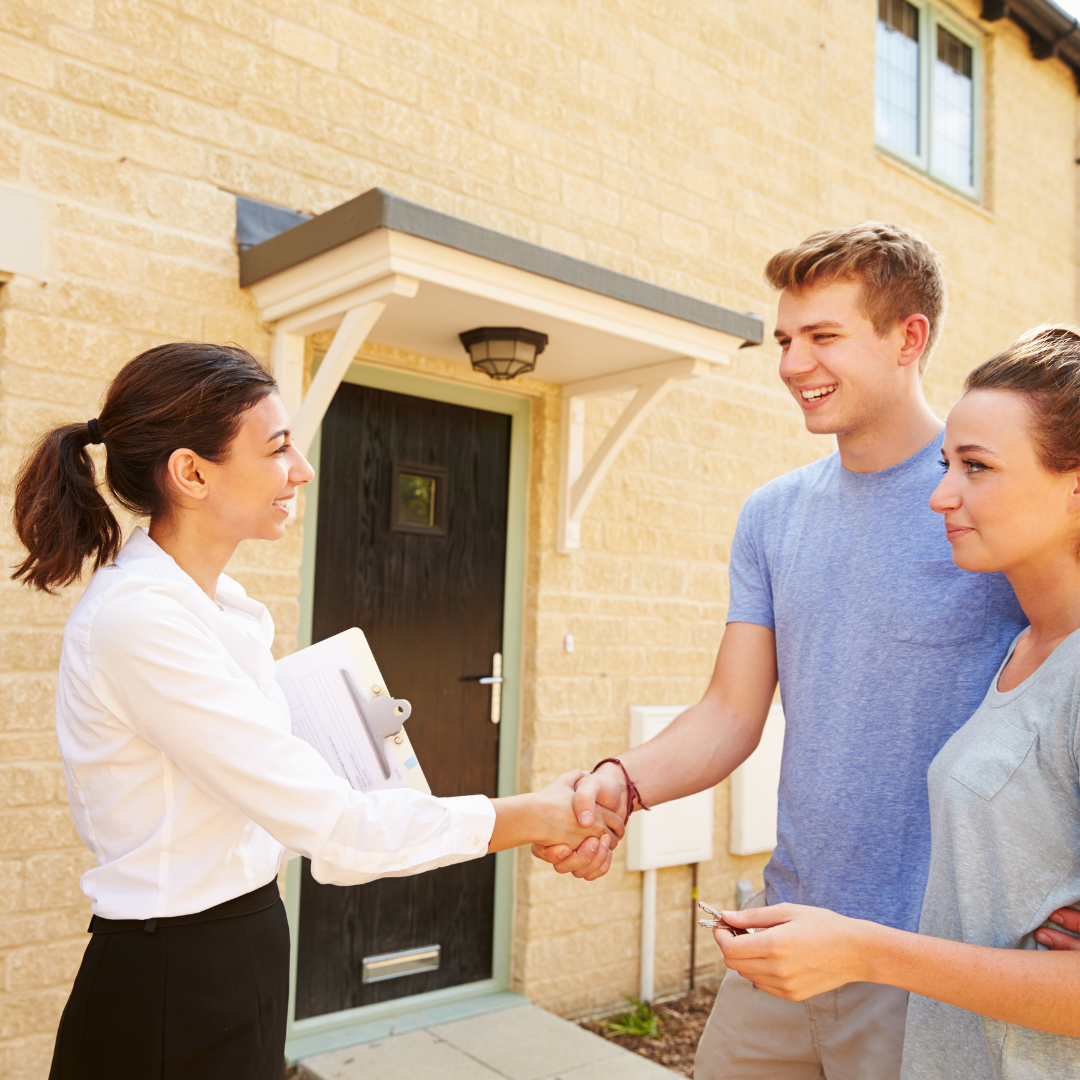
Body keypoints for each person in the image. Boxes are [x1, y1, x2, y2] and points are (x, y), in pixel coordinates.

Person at [12, 343, 622, 1080]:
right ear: (192, 473)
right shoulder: (142, 622)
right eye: (276, 449)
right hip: (175, 975)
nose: (300, 469)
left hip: (241, 944)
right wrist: (535, 817)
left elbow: (299, 806)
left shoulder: (218, 610)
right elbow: (337, 831)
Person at [533, 223, 1029, 1078]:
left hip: (930, 957)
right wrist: (620, 783)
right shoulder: (773, 514)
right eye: (786, 340)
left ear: (908, 338)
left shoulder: (986, 498)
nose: (794, 364)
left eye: (824, 337)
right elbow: (731, 713)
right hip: (783, 937)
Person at [712, 324, 1080, 1079]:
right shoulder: (1021, 649)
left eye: (976, 467)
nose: (941, 494)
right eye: (948, 463)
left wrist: (865, 948)